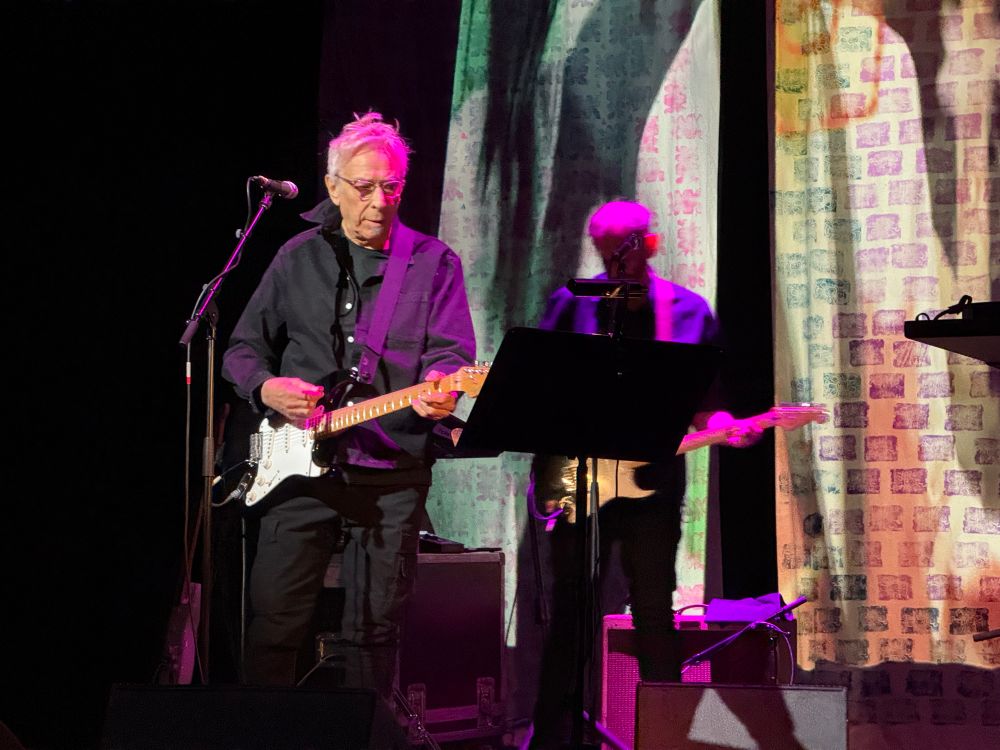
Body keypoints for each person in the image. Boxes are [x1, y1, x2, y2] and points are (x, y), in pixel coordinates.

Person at [222, 112, 476, 694]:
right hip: (295, 469)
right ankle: (264, 732)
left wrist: (442, 386)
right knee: (274, 626)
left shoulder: (434, 262)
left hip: (392, 472)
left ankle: (366, 732)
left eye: (391, 186)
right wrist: (267, 388)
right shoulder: (297, 256)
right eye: (363, 187)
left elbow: (450, 353)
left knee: (375, 634)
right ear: (333, 187)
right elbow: (242, 350)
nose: (379, 202)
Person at [527, 200, 761, 748]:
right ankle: (551, 739)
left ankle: (666, 736)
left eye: (628, 246)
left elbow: (706, 404)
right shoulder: (571, 304)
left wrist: (728, 428)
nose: (619, 259)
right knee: (572, 611)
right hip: (581, 478)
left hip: (652, 483)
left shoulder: (688, 312)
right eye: (607, 249)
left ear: (649, 244)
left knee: (654, 608)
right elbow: (540, 388)